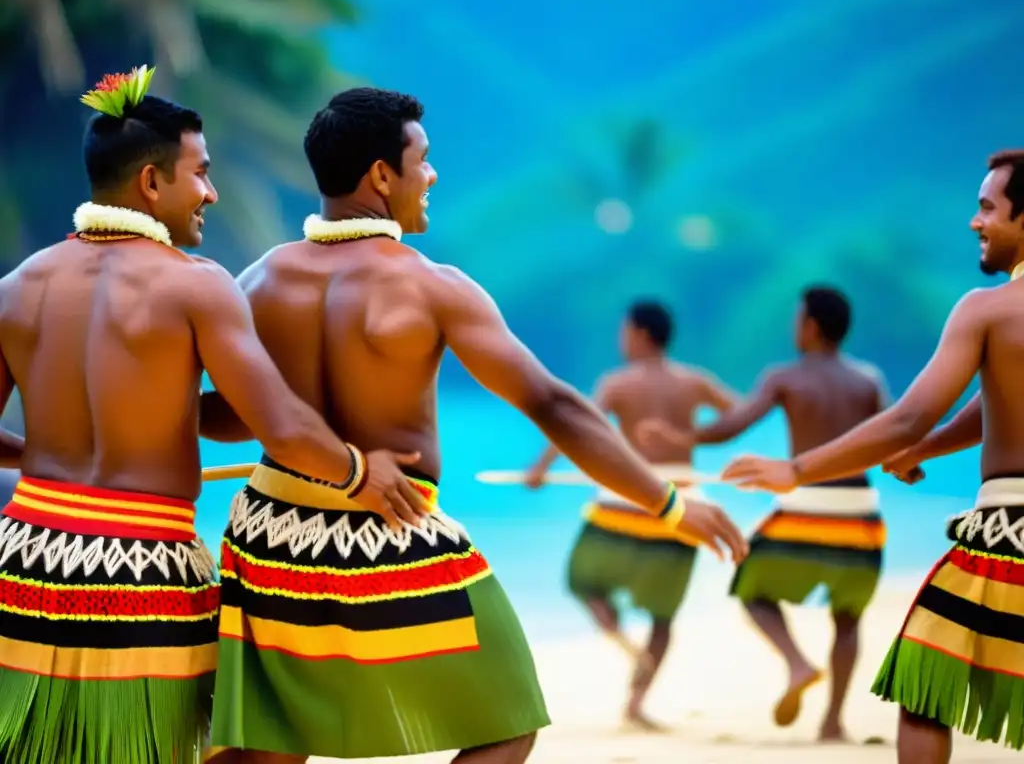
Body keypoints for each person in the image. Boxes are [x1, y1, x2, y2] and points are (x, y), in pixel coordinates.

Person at [197, 87, 748, 764]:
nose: (431, 176)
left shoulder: (255, 282)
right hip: (388, 536)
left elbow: (228, 419)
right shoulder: (432, 286)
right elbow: (556, 405)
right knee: (509, 716)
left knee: (270, 742)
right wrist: (666, 503)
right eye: (423, 161)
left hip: (267, 533)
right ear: (380, 175)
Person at [0, 68, 424, 764]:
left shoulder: (17, 288)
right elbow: (280, 425)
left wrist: (38, 450)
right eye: (201, 173)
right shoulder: (195, 285)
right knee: (219, 742)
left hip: (26, 559)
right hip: (141, 572)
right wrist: (359, 473)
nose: (211, 193)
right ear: (150, 183)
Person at [721, 150, 1024, 762]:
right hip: (866, 525)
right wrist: (929, 448)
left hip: (1009, 535)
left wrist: (796, 468)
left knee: (924, 688)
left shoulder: (986, 310)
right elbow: (994, 398)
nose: (974, 221)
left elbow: (911, 413)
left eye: (987, 207)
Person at [639, 286, 891, 741]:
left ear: (811, 326)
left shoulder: (785, 377)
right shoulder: (869, 379)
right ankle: (833, 722)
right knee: (848, 617)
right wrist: (910, 464)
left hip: (806, 508)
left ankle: (796, 662)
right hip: (860, 513)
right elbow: (894, 436)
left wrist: (677, 437)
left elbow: (732, 426)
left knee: (751, 588)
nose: (794, 326)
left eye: (798, 319)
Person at [523, 299, 739, 731]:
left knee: (583, 581)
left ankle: (620, 637)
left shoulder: (617, 383)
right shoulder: (694, 381)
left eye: (624, 330)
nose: (621, 338)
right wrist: (688, 435)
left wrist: (541, 468)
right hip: (680, 510)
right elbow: (741, 412)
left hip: (626, 505)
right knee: (663, 615)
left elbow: (577, 426)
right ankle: (636, 704)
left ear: (641, 333)